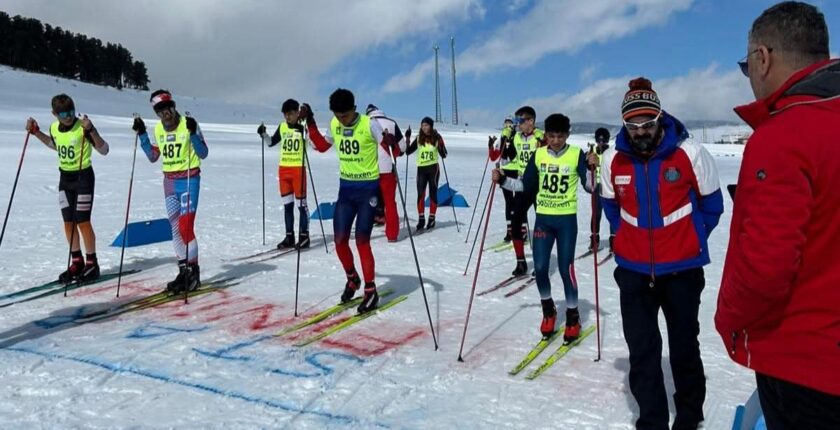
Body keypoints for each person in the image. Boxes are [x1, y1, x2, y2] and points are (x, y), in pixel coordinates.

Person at [715, 2, 840, 428]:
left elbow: (765, 269)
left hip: (806, 367)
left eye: (744, 65)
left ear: (762, 58)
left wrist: (728, 317)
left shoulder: (785, 134)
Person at [597, 77, 723, 429]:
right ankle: (651, 422)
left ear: (659, 117)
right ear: (624, 124)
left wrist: (689, 241)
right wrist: (624, 239)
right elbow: (610, 205)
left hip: (682, 272)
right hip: (634, 273)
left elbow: (712, 206)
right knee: (643, 352)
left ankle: (688, 418)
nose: (641, 131)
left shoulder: (690, 153)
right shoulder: (612, 160)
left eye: (648, 123)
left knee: (684, 349)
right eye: (633, 125)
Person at [492, 114, 591, 342]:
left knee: (566, 270)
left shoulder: (576, 154)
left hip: (566, 220)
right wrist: (503, 180)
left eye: (561, 136)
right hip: (544, 220)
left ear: (568, 135)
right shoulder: (538, 155)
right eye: (552, 136)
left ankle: (573, 315)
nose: (556, 140)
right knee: (540, 267)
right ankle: (549, 311)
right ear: (545, 135)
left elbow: (589, 187)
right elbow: (525, 185)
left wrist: (592, 169)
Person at [302, 89, 397, 313]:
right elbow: (323, 146)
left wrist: (390, 143)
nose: (341, 119)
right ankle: (352, 278)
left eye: (345, 115)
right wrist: (311, 121)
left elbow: (387, 144)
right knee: (340, 240)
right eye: (337, 115)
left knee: (362, 241)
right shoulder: (335, 124)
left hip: (368, 190)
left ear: (354, 109)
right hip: (346, 190)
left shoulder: (368, 124)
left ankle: (371, 291)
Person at [25, 94, 109, 283]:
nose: (69, 117)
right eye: (63, 114)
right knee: (68, 222)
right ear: (54, 114)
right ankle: (77, 261)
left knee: (83, 221)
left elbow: (104, 150)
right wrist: (36, 132)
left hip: (83, 177)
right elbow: (55, 145)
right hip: (65, 179)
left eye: (71, 112)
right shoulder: (54, 127)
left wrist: (92, 131)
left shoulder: (82, 127)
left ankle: (92, 264)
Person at [132, 90, 209, 293]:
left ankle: (193, 273)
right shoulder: (158, 129)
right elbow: (153, 156)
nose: (166, 112)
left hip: (189, 180)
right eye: (160, 110)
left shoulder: (188, 123)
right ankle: (183, 271)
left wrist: (192, 135)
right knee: (175, 228)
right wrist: (142, 135)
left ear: (174, 106)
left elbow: (204, 152)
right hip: (170, 183)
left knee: (185, 226)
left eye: (168, 107)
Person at [257, 99, 310, 249]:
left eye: (291, 114)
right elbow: (271, 143)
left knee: (301, 205)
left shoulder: (303, 126)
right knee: (287, 206)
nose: (288, 117)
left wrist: (305, 130)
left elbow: (312, 143)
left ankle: (304, 236)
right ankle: (289, 237)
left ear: (297, 113)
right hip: (284, 170)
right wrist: (263, 134)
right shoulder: (282, 127)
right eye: (285, 114)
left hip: (298, 170)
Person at [503, 106, 544, 276]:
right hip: (522, 185)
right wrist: (506, 141)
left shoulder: (541, 137)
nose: (517, 124)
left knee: (541, 225)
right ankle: (521, 262)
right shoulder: (517, 138)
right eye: (517, 121)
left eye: (520, 121)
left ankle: (541, 262)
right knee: (516, 221)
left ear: (531, 121)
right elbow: (512, 157)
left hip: (540, 186)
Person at [365, 104, 407, 242]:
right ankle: (392, 235)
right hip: (388, 169)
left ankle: (364, 233)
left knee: (366, 203)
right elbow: (402, 147)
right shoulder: (391, 123)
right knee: (390, 203)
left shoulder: (365, 123)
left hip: (368, 169)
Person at [405, 117, 447, 230]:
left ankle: (432, 218)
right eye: (422, 125)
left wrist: (441, 142)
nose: (424, 127)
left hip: (433, 169)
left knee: (433, 194)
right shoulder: (419, 138)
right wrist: (407, 138)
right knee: (420, 195)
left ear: (431, 126)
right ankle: (421, 219)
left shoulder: (436, 138)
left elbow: (444, 154)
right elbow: (408, 152)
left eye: (426, 125)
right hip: (421, 170)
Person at [590, 127, 615, 253]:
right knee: (596, 214)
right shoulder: (592, 151)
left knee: (611, 214)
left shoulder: (611, 152)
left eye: (603, 141)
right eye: (599, 141)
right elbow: (587, 168)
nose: (601, 143)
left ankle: (613, 241)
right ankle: (594, 239)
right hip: (596, 186)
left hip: (608, 186)